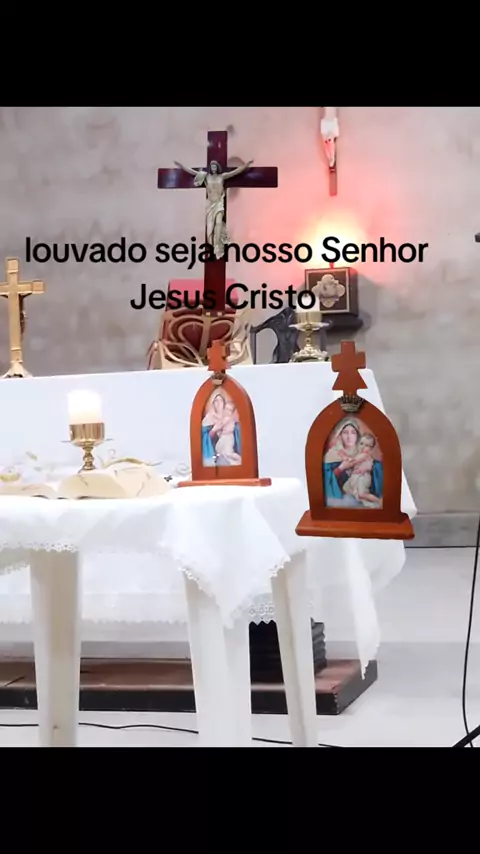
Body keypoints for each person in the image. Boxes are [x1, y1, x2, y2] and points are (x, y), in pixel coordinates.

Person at [173, 158, 254, 259]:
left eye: (215, 166)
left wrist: (246, 165)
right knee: (210, 228)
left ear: (217, 168)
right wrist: (181, 166)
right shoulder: (206, 176)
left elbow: (235, 172)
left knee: (219, 223)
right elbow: (192, 172)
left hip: (219, 203)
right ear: (210, 168)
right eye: (212, 166)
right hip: (210, 204)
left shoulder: (222, 176)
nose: (214, 168)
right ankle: (211, 248)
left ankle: (218, 247)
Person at [323, 418, 383, 507]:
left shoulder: (361, 453)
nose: (349, 437)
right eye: (345, 432)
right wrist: (341, 468)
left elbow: (378, 472)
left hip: (359, 486)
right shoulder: (332, 454)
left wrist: (369, 467)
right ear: (340, 435)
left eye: (353, 433)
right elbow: (324, 478)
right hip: (342, 499)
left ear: (358, 436)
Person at [339, 433, 381, 507]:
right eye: (361, 443)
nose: (363, 447)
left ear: (371, 448)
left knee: (362, 494)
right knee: (346, 487)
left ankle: (378, 500)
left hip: (362, 478)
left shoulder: (365, 455)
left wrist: (344, 457)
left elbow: (354, 461)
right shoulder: (359, 454)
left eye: (367, 445)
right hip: (356, 477)